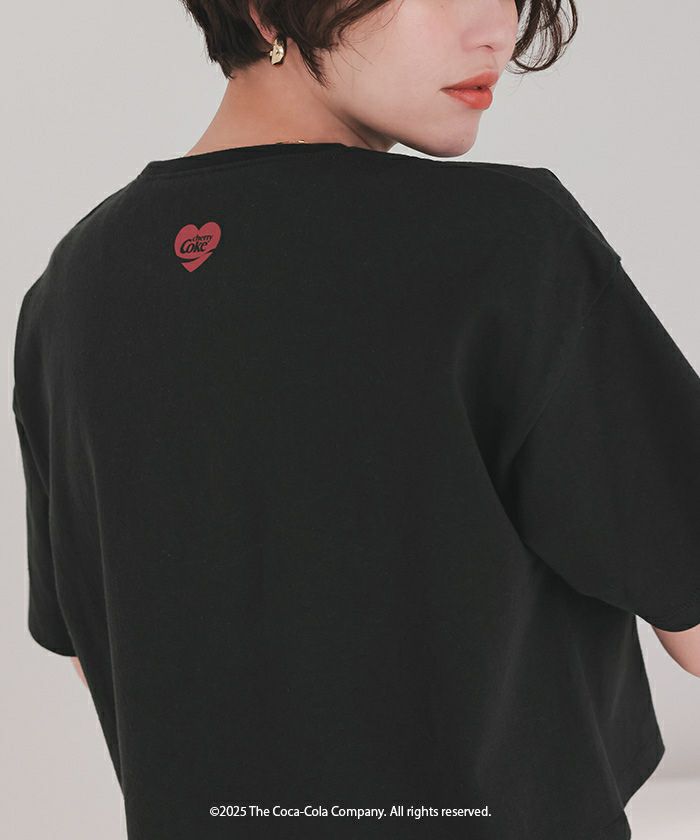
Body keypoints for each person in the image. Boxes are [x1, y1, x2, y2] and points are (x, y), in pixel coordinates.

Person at [11, 2, 700, 839]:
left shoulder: (67, 296)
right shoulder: (506, 246)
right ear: (267, 10)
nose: (497, 31)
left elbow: (100, 656)